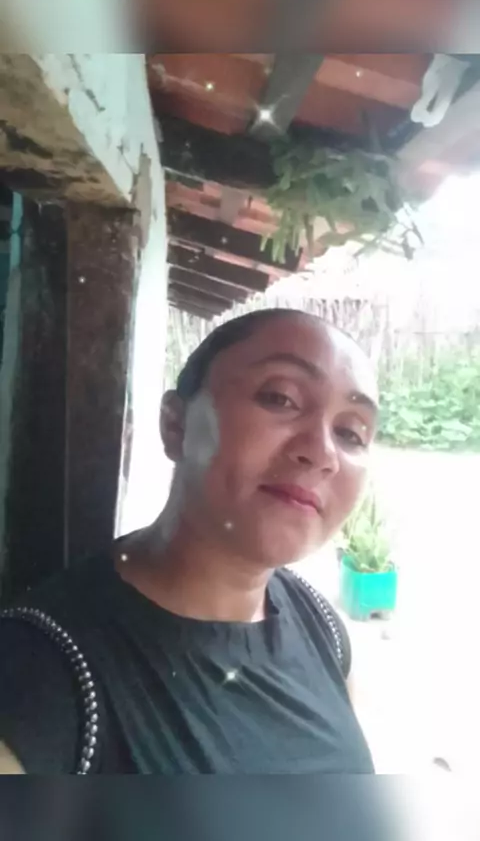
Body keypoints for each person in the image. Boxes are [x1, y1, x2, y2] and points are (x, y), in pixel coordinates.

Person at [0, 308, 379, 776]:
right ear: (175, 425)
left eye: (351, 433)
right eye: (280, 398)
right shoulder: (38, 677)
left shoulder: (323, 628)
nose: (321, 452)